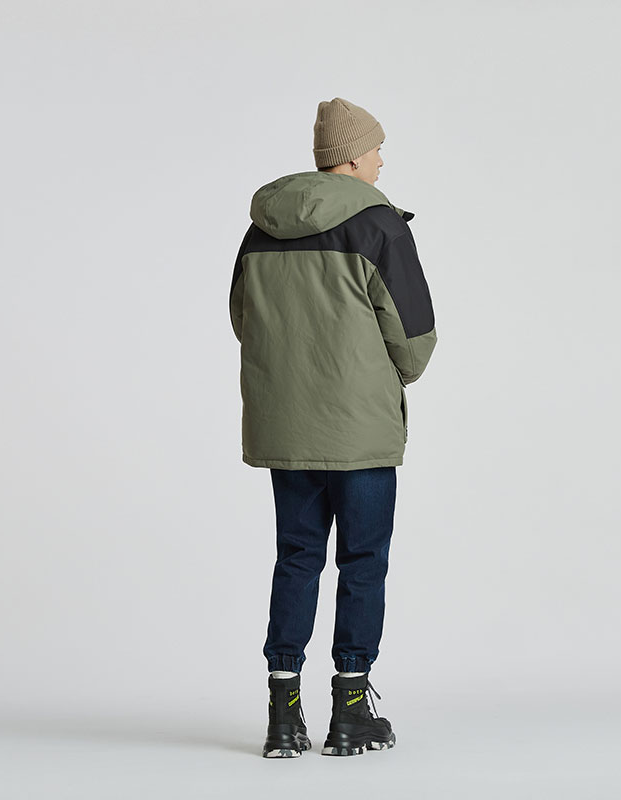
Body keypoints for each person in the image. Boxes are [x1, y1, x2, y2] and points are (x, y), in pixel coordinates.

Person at [229, 97, 438, 758]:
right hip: (359, 429)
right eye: (376, 149)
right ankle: (350, 714)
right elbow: (414, 337)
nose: (381, 161)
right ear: (351, 156)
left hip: (287, 424)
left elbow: (243, 317)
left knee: (297, 556)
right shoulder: (378, 224)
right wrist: (383, 378)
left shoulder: (262, 228)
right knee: (362, 560)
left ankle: (283, 716)